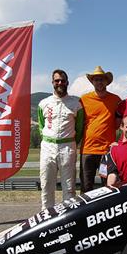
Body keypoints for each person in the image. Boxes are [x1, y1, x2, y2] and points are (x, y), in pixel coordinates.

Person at [38, 69, 84, 209]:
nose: (60, 83)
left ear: (67, 82)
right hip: (48, 147)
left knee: (69, 188)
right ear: (52, 82)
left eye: (62, 80)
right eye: (57, 80)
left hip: (67, 147)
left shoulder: (76, 104)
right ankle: (46, 217)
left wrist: (71, 143)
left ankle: (68, 218)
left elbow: (80, 128)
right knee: (46, 185)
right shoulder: (43, 103)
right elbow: (41, 126)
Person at [79, 66, 121, 192]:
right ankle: (86, 212)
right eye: (96, 79)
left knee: (108, 187)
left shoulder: (116, 100)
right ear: (92, 82)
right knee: (86, 187)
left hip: (106, 151)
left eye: (102, 79)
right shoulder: (84, 99)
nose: (99, 82)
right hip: (88, 150)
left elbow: (120, 123)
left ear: (107, 81)